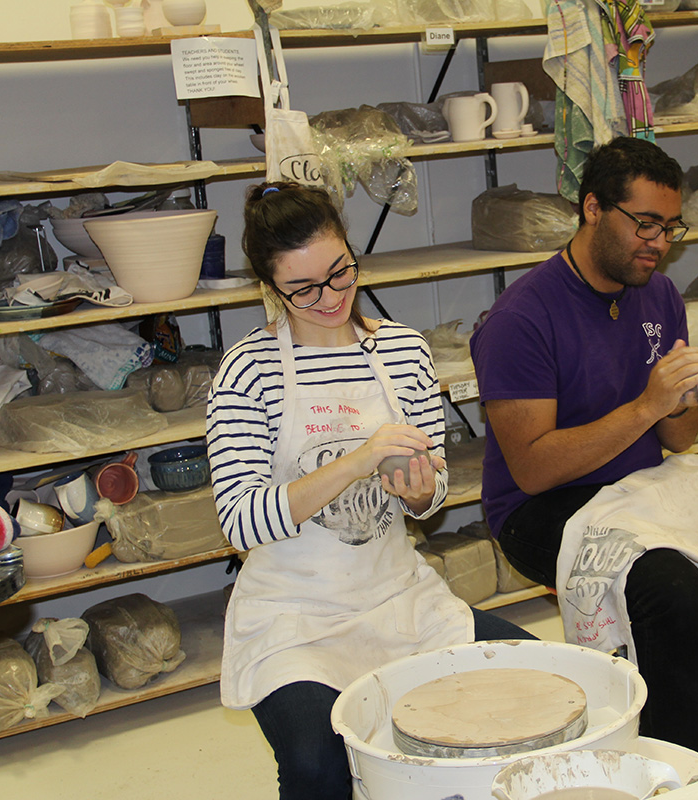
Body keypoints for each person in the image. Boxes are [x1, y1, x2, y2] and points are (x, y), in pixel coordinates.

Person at [470, 137, 698, 764]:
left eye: (670, 227)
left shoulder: (660, 295)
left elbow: (680, 439)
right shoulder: (521, 319)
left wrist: (683, 400)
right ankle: (684, 765)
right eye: (645, 223)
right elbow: (533, 470)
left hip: (640, 485)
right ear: (593, 208)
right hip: (541, 507)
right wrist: (648, 405)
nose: (659, 242)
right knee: (669, 589)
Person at [207, 182, 531, 800]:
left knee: (526, 679)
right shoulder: (248, 370)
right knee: (317, 764)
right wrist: (356, 462)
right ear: (270, 288)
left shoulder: (404, 351)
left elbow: (432, 495)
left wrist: (419, 492)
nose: (330, 297)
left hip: (397, 597)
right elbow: (241, 522)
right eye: (303, 289)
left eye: (340, 273)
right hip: (294, 616)